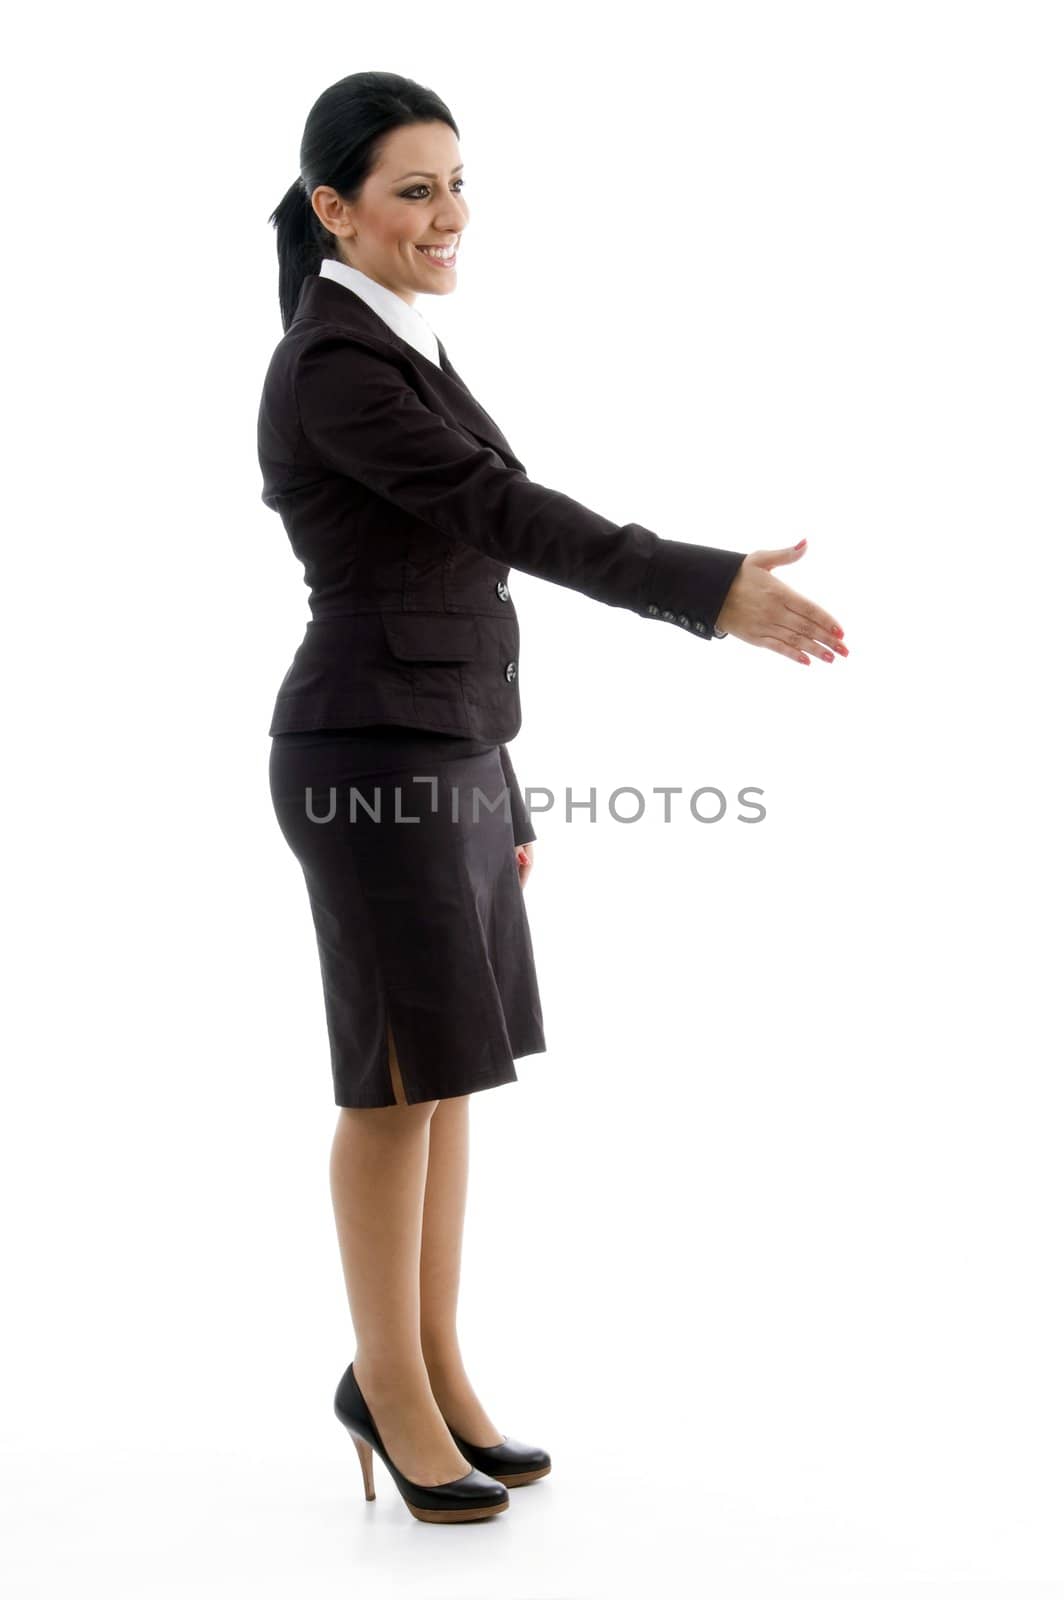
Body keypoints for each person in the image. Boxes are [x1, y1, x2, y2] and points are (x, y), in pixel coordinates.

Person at [259, 70, 848, 1525]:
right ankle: (385, 1389)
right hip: (365, 760)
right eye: (413, 188)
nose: (447, 214)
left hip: (445, 753)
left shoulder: (402, 348)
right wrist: (709, 590)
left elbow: (456, 582)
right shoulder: (335, 365)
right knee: (395, 1086)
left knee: (450, 1076)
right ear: (336, 209)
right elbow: (502, 520)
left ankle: (432, 1368)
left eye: (458, 183)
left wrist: (504, 797)